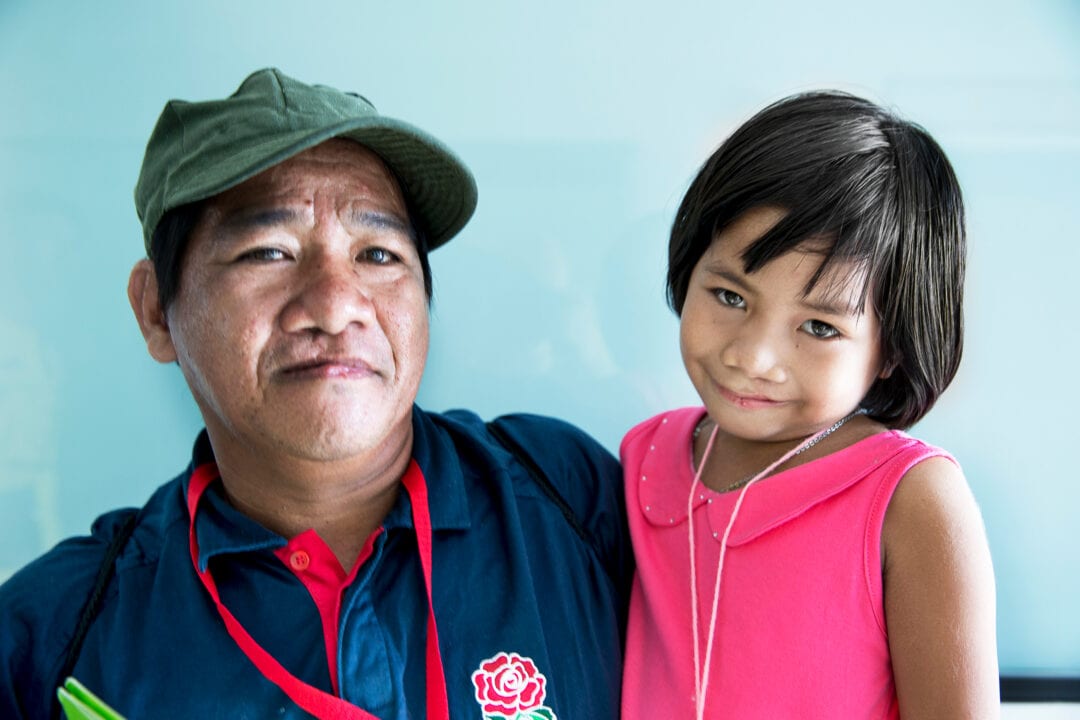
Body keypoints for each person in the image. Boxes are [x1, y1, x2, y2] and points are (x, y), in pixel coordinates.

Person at [0, 68, 631, 720]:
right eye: (269, 252)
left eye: (379, 255)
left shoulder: (571, 503)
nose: (336, 307)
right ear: (158, 311)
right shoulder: (52, 642)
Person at [621, 91, 999, 719]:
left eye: (820, 328)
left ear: (890, 351)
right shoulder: (646, 456)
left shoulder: (912, 499)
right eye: (730, 296)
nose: (754, 357)